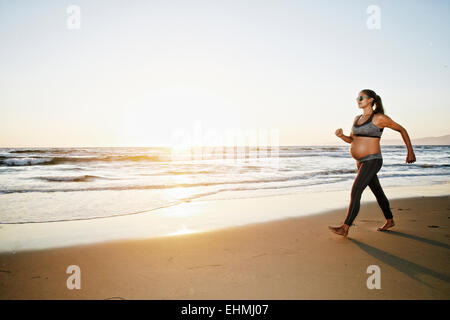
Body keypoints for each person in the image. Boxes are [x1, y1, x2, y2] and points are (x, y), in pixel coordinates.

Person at [329, 89, 416, 237]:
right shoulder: (357, 118)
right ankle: (390, 220)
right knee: (377, 191)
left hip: (373, 160)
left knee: (356, 190)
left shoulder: (379, 118)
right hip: (360, 162)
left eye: (361, 97)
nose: (358, 100)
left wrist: (410, 151)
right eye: (357, 97)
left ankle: (345, 227)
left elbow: (402, 129)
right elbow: (352, 140)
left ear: (370, 100)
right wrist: (341, 136)